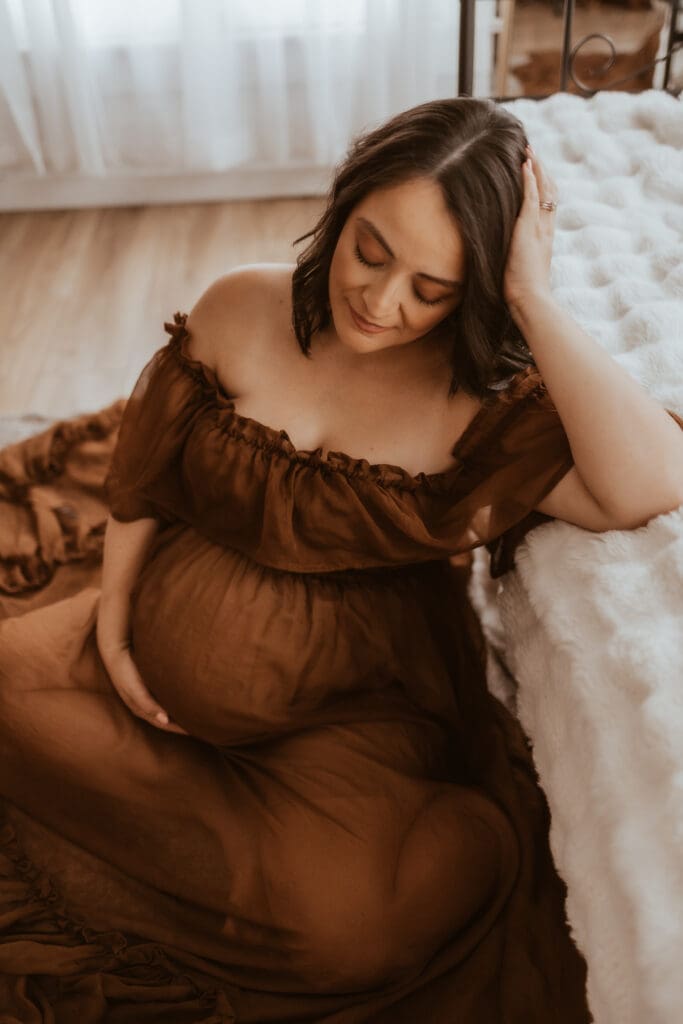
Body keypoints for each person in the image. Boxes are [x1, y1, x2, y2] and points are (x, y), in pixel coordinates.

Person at [1, 95, 682, 1023]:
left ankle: (273, 847)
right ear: (344, 199)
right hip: (148, 634)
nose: (380, 300)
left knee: (349, 933)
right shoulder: (242, 305)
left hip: (352, 713)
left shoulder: (478, 406)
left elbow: (650, 482)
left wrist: (532, 295)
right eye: (371, 248)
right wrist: (117, 623)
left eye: (432, 288)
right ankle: (213, 822)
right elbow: (146, 466)